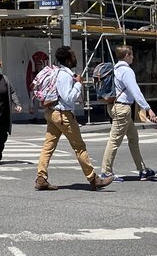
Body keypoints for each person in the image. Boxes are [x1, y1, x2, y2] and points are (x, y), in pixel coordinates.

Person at [34, 45, 111, 192]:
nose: (76, 58)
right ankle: (93, 179)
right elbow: (68, 98)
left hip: (53, 113)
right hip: (63, 115)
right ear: (68, 60)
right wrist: (77, 84)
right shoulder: (64, 75)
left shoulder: (59, 72)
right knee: (79, 147)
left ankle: (41, 178)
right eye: (73, 55)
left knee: (48, 147)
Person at [100, 45, 157, 181]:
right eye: (131, 55)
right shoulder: (126, 71)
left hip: (114, 106)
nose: (133, 57)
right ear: (126, 55)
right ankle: (106, 171)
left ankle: (142, 169)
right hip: (122, 108)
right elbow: (135, 91)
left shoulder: (115, 69)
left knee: (133, 138)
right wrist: (147, 108)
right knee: (114, 140)